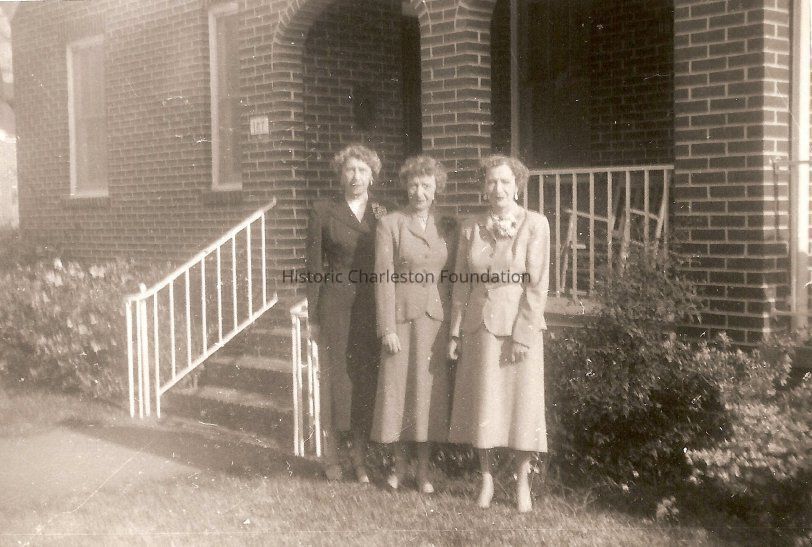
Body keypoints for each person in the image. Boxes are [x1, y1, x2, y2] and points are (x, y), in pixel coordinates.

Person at [447, 154, 550, 513]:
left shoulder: (535, 224)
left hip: (518, 326)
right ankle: (487, 480)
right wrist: (455, 333)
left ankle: (522, 483)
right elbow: (461, 283)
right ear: (483, 187)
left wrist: (523, 333)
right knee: (483, 404)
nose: (498, 188)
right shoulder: (471, 226)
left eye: (505, 181)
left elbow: (537, 285)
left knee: (523, 405)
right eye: (491, 181)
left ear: (517, 185)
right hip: (479, 326)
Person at [370, 155, 455, 494]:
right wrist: (387, 327)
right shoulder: (390, 224)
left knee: (426, 395)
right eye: (414, 185)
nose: (419, 192)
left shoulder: (446, 226)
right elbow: (383, 277)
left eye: (426, 186)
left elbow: (453, 276)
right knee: (399, 392)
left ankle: (423, 472)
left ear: (436, 189)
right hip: (401, 318)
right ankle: (398, 468)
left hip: (434, 321)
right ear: (405, 187)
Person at [306, 144, 388, 483]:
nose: (356, 177)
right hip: (335, 304)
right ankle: (332, 456)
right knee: (335, 379)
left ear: (372, 177)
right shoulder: (324, 211)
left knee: (363, 379)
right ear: (341, 175)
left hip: (369, 305)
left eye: (362, 171)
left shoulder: (382, 214)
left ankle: (359, 459)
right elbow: (313, 267)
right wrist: (313, 317)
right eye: (350, 170)